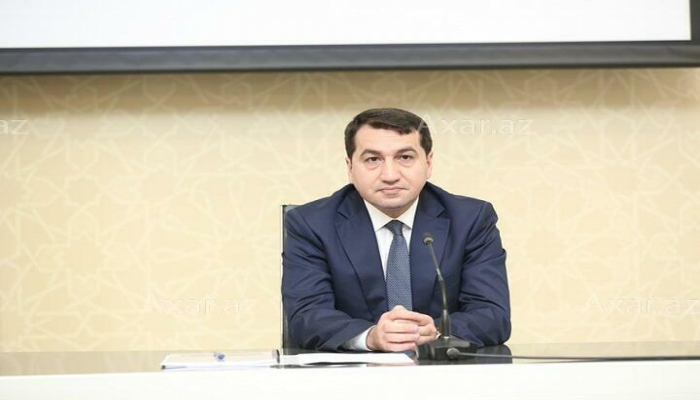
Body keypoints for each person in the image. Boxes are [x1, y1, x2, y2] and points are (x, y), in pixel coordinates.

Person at [282, 108, 510, 352]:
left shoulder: (471, 219)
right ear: (350, 167)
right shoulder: (311, 224)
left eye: (405, 157)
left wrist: (436, 331)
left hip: (443, 369)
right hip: (350, 371)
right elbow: (306, 316)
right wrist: (370, 337)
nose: (390, 175)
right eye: (373, 160)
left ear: (428, 163)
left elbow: (492, 315)